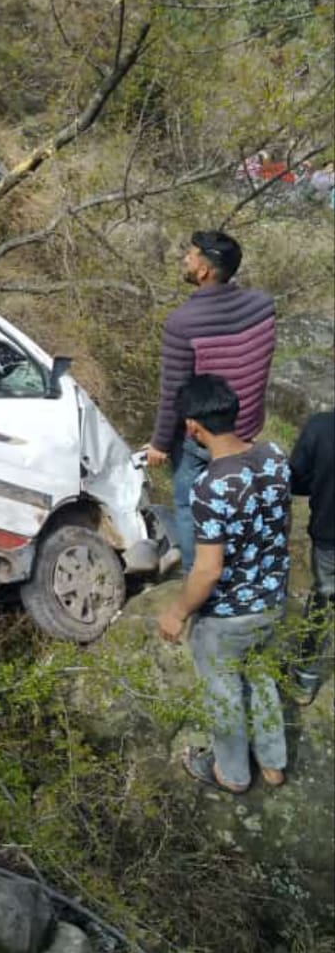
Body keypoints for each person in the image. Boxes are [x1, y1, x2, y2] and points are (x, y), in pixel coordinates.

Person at [158, 374, 290, 793]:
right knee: (262, 679)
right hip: (272, 600)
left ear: (192, 427)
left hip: (228, 616)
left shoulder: (209, 486)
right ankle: (273, 762)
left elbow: (208, 570)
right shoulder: (274, 456)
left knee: (224, 694)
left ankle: (232, 773)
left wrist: (178, 612)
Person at [146, 231, 276, 573]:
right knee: (235, 501)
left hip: (202, 438)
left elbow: (174, 393)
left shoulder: (182, 323)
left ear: (204, 271)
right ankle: (238, 566)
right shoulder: (263, 305)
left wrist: (160, 444)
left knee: (190, 507)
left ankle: (197, 577)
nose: (185, 259)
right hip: (245, 430)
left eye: (190, 255)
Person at [288, 411, 335, 704]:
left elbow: (295, 479)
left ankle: (305, 679)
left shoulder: (321, 426)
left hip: (330, 535)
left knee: (323, 604)